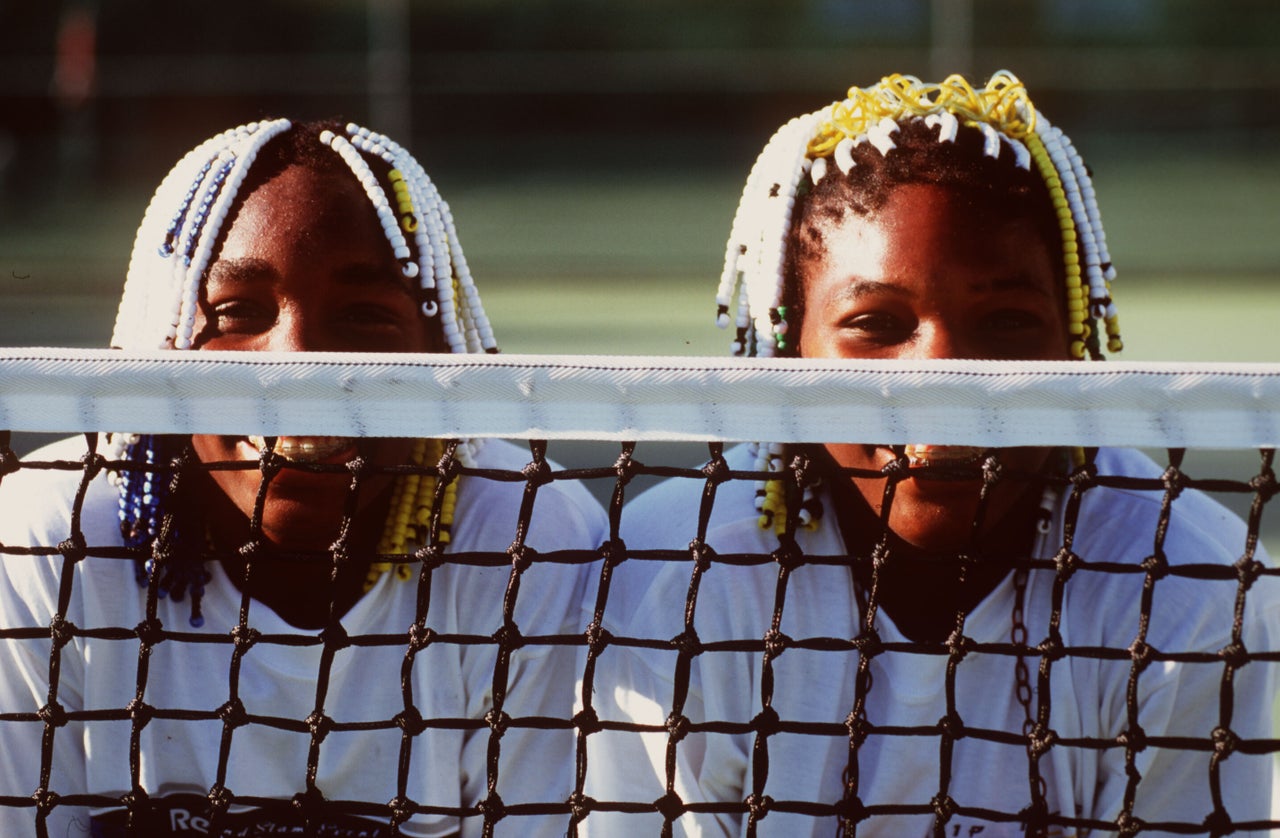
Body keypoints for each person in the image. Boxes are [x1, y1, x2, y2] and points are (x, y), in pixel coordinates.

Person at [585, 73, 1280, 836]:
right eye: (877, 322)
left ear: (1075, 343)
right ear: (785, 350)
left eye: (1008, 322)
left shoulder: (1198, 589)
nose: (944, 375)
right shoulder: (670, 577)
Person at [0, 119, 607, 837]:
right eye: (240, 312)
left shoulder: (527, 537)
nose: (301, 366)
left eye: (362, 316)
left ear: (441, 353)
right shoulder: (50, 536)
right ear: (161, 343)